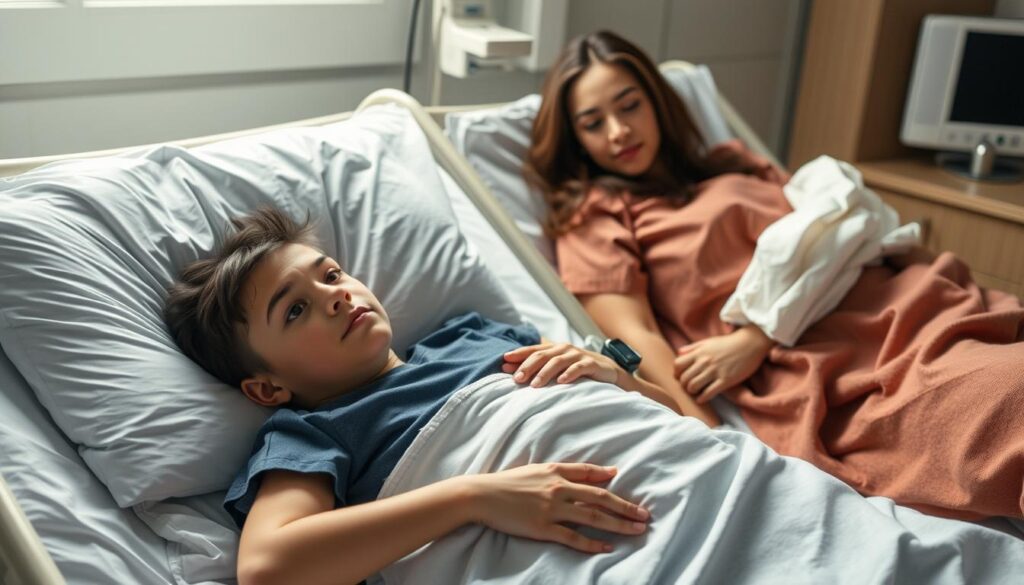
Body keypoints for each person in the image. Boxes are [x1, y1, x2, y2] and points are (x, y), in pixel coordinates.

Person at [524, 30, 1024, 520]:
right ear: (577, 141)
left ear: (657, 101)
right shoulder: (598, 215)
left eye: (629, 105)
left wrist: (760, 334)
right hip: (831, 362)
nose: (618, 132)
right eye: (594, 123)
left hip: (908, 299)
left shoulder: (732, 162)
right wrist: (711, 440)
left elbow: (831, 232)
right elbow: (635, 333)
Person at [163, 207, 677, 585]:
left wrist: (618, 377)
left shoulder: (472, 336)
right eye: (295, 310)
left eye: (331, 275)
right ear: (268, 387)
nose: (336, 295)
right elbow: (267, 566)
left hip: (677, 468)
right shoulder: (314, 433)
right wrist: (476, 496)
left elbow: (674, 417)